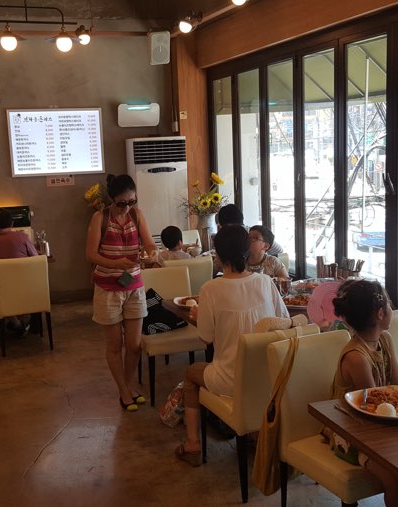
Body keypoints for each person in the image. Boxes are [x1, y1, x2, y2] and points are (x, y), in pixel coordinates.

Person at [174, 225, 288, 467]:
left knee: (191, 374)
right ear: (247, 251)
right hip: (269, 376)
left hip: (230, 379)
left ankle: (193, 445)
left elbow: (205, 338)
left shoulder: (211, 289)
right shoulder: (266, 282)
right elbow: (282, 323)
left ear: (218, 255)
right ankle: (255, 434)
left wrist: (200, 315)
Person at [327, 278, 398, 507]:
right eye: (389, 304)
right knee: (393, 477)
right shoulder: (356, 357)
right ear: (380, 313)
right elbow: (373, 410)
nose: (392, 308)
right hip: (350, 432)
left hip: (381, 425)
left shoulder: (385, 339)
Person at [85, 174, 157, 412]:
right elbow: (91, 254)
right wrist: (116, 264)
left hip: (134, 286)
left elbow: (149, 243)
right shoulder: (100, 217)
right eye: (122, 203)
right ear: (111, 199)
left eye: (132, 201)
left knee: (134, 345)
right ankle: (124, 391)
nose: (127, 207)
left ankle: (127, 384)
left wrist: (152, 252)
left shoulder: (137, 215)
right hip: (108, 288)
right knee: (115, 345)